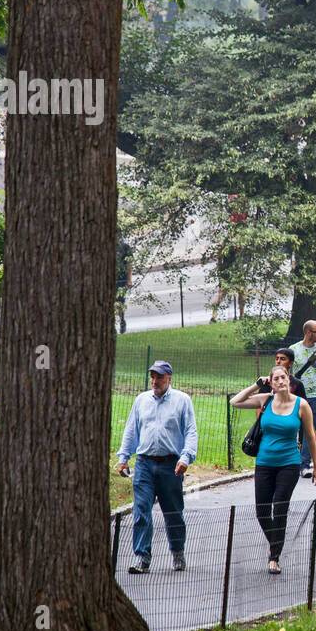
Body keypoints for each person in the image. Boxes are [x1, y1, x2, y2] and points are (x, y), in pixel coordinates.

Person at [231, 366, 316, 573]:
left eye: (283, 377)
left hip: (289, 463)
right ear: (271, 383)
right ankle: (276, 543)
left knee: (280, 508)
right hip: (264, 463)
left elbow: (310, 436)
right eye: (276, 379)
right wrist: (256, 385)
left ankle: (274, 557)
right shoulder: (265, 400)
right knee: (262, 511)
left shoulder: (301, 405)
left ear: (289, 380)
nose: (280, 381)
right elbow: (235, 402)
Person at [117, 360, 198, 573]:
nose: (155, 381)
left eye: (159, 377)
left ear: (169, 379)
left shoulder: (182, 401)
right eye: (152, 377)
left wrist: (185, 458)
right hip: (144, 463)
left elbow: (190, 431)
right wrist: (124, 457)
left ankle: (178, 552)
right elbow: (131, 430)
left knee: (173, 512)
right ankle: (142, 557)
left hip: (171, 465)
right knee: (141, 509)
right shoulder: (141, 400)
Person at [292, 320, 316, 476]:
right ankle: (293, 461)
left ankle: (304, 465)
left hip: (315, 397)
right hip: (296, 397)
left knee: (309, 430)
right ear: (308, 333)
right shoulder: (293, 349)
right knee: (295, 429)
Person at [210, 195, 248, 322]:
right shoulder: (232, 241)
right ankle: (214, 315)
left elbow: (220, 255)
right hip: (231, 269)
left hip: (232, 269)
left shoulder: (231, 240)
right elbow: (221, 254)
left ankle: (240, 315)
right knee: (225, 292)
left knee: (239, 292)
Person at [115, 239, 132, 334]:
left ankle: (122, 321)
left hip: (122, 279)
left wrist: (129, 280)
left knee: (120, 302)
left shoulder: (125, 247)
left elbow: (129, 264)